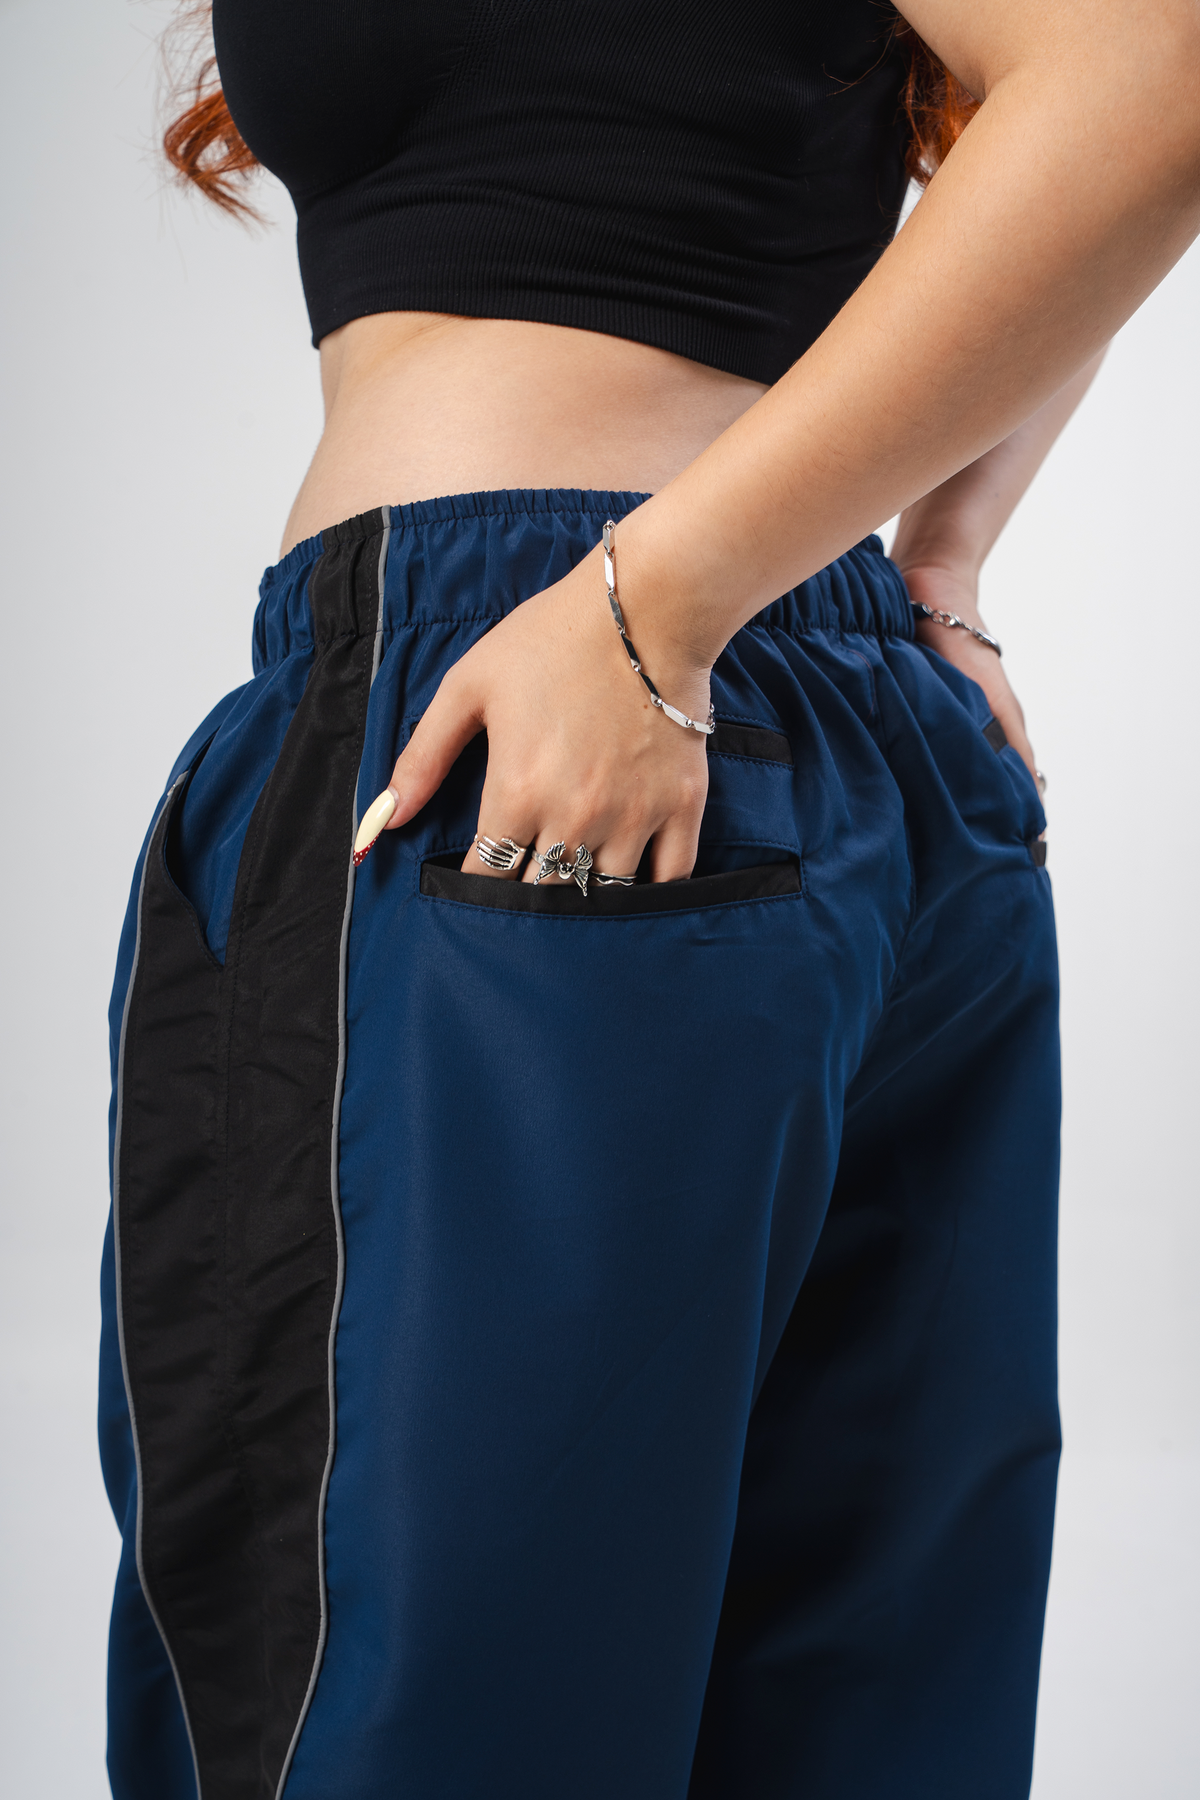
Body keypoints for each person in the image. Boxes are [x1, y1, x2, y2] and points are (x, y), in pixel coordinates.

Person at [98, 3, 1200, 1797]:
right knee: (857, 1709)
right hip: (832, 712)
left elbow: (1149, 73)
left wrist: (651, 607)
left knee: (405, 1706)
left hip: (528, 699)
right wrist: (934, 558)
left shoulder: (607, 622)